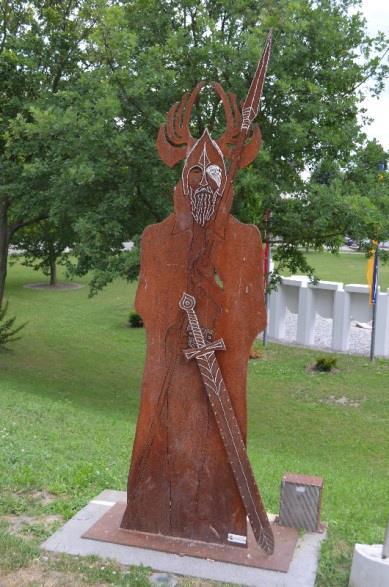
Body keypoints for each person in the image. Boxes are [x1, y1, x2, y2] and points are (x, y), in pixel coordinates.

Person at [121, 82, 266, 545]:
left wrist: (220, 322)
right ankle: (155, 509)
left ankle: (221, 516)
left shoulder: (244, 241)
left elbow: (251, 313)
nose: (204, 183)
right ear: (181, 182)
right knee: (163, 437)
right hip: (170, 365)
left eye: (214, 174)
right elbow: (149, 307)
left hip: (222, 367)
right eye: (195, 174)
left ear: (226, 182)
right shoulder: (156, 239)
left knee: (220, 446)